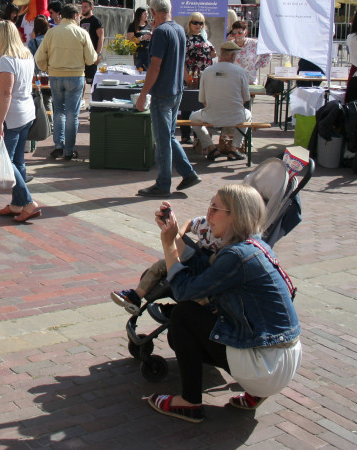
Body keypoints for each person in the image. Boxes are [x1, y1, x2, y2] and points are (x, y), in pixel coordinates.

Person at [146, 185, 301, 422]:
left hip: (266, 366)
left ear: (236, 215)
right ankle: (256, 393)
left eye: (214, 208)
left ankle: (189, 402)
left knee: (184, 314)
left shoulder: (236, 256)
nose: (207, 215)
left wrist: (168, 243)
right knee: (202, 317)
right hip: (282, 359)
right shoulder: (253, 246)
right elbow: (200, 273)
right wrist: (175, 233)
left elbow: (185, 290)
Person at [134, 0, 200, 197]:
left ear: (153, 12)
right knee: (168, 136)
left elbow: (155, 65)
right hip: (175, 89)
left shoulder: (161, 32)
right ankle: (188, 173)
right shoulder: (178, 29)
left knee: (163, 139)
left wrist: (143, 94)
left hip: (163, 91)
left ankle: (163, 184)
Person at [110, 200, 226, 314]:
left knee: (193, 286)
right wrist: (178, 234)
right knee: (161, 265)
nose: (210, 213)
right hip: (192, 257)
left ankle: (206, 309)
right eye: (210, 207)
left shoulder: (231, 241)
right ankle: (135, 296)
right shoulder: (205, 223)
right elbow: (190, 223)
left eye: (216, 210)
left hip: (206, 269)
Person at [0, 21, 40, 223]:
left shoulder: (7, 61)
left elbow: (5, 93)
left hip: (10, 117)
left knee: (4, 159)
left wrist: (0, 123)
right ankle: (17, 204)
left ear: (1, 37)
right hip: (25, 113)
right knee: (17, 160)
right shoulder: (25, 55)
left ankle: (27, 202)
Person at [34, 3, 96, 160]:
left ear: (61, 15)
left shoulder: (51, 33)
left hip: (55, 75)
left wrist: (47, 68)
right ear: (76, 16)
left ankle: (58, 146)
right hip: (75, 76)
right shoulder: (82, 33)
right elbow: (90, 59)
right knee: (72, 114)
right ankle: (69, 150)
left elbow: (39, 57)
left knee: (59, 111)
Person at [190, 41, 251, 161]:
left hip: (211, 116)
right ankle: (234, 149)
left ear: (220, 54)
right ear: (233, 56)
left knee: (193, 118)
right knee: (248, 115)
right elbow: (246, 98)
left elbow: (202, 99)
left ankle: (211, 148)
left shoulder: (207, 71)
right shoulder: (240, 72)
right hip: (235, 117)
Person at [179, 12, 217, 144]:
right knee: (187, 105)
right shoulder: (186, 39)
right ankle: (185, 134)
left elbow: (211, 56)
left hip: (205, 77)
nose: (198, 25)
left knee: (201, 105)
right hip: (191, 76)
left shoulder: (204, 38)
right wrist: (186, 77)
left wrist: (212, 55)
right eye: (195, 22)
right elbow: (182, 60)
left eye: (201, 23)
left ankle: (199, 135)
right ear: (189, 23)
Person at [229, 20, 270, 85]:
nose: (237, 35)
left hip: (250, 80)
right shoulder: (229, 45)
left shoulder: (254, 44)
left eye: (240, 32)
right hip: (234, 80)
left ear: (246, 32)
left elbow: (267, 53)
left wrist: (256, 66)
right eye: (234, 33)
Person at [79, 0, 104, 84]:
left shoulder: (96, 21)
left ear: (91, 8)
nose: (83, 9)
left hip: (92, 55)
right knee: (81, 81)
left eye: (85, 7)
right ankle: (82, 98)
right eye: (82, 7)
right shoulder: (81, 22)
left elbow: (101, 37)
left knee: (91, 81)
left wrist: (98, 53)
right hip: (82, 56)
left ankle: (92, 97)